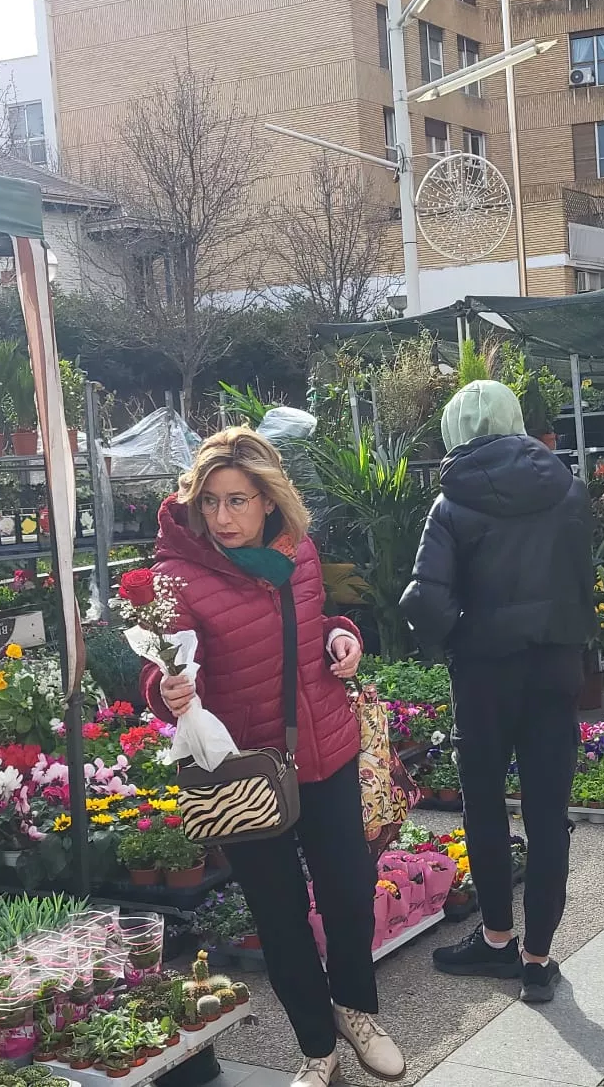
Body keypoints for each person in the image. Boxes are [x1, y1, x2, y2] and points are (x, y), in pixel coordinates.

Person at [143, 427, 403, 1087]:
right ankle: (318, 1051)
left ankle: (357, 1012)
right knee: (280, 916)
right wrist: (162, 688)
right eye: (210, 502)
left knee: (348, 895)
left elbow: (311, 626)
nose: (222, 517)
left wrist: (342, 637)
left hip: (327, 750)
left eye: (237, 501)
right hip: (243, 774)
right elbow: (160, 661)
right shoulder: (177, 576)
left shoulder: (299, 554)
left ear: (268, 501)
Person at [402, 381, 595, 1005]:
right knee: (547, 814)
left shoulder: (451, 503)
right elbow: (578, 581)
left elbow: (426, 601)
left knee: (483, 805)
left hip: (485, 673)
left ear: (456, 431)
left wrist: (463, 632)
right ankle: (537, 961)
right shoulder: (569, 491)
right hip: (557, 666)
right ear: (516, 422)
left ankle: (494, 940)